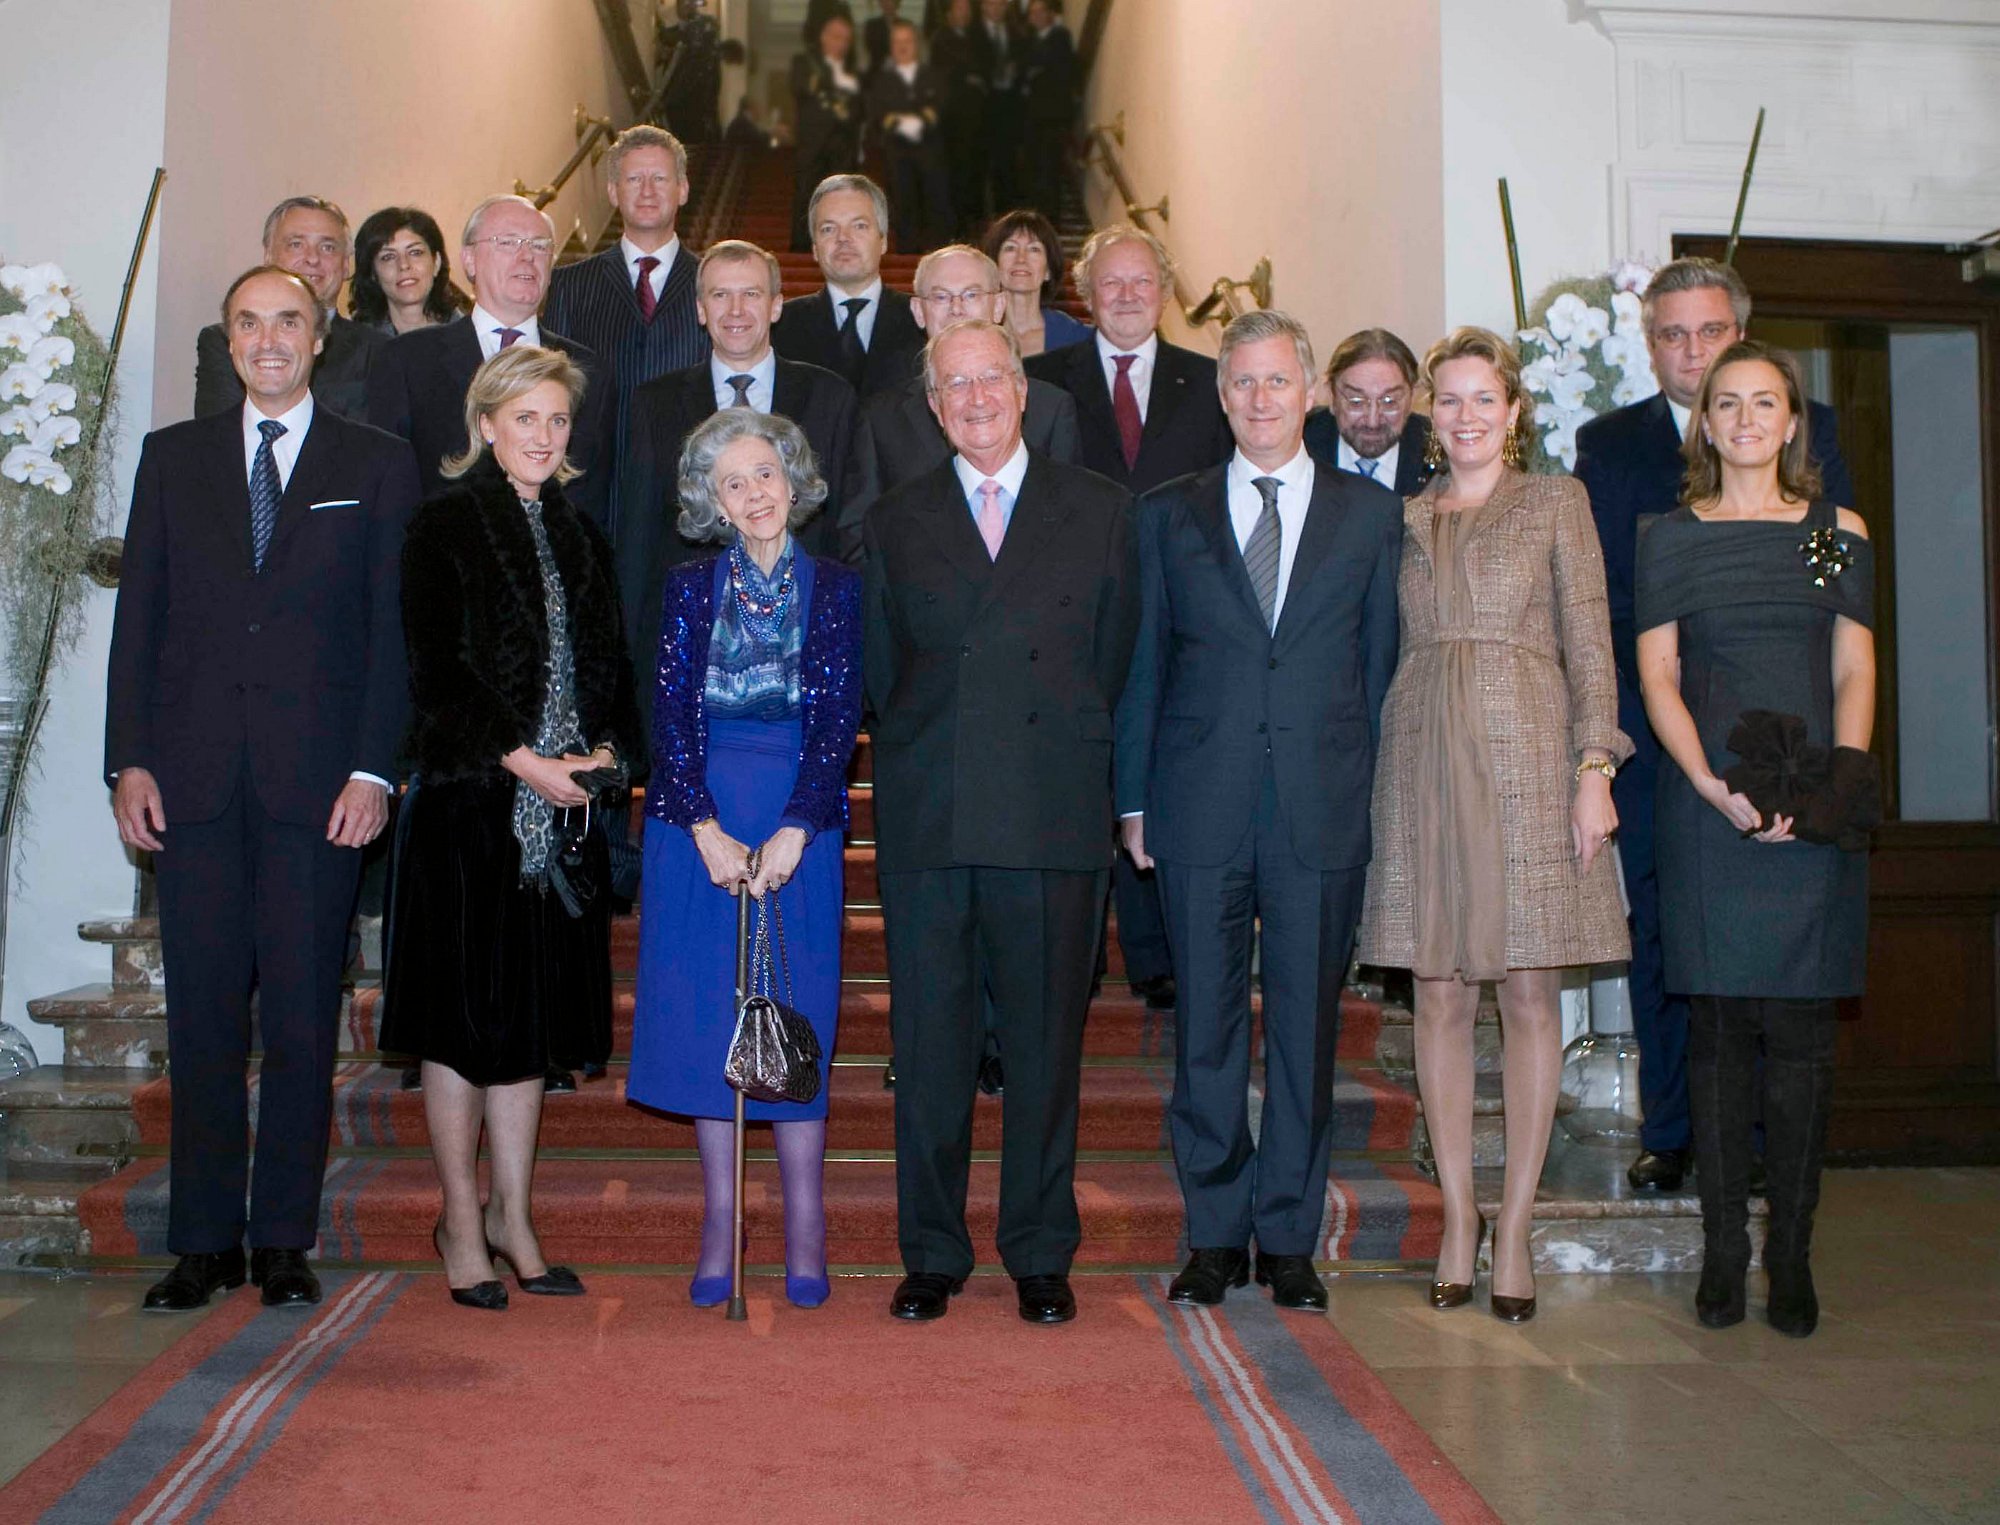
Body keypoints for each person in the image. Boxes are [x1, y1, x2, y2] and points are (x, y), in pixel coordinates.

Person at [106, 266, 417, 1311]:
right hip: (189, 784)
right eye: (249, 323)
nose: (268, 339)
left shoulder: (375, 463)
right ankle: (200, 1242)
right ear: (229, 342)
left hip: (318, 788)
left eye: (288, 320)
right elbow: (138, 623)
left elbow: (391, 635)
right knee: (200, 1021)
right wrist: (128, 759)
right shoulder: (172, 459)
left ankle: (281, 1236)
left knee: (296, 1022)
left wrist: (377, 767)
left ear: (320, 338)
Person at [1115, 311, 1401, 1312]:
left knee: (1304, 1032)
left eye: (1277, 381)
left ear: (1309, 388)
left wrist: (1367, 801)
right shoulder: (1167, 512)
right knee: (1203, 1032)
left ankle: (1285, 1235)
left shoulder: (1369, 518)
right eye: (1241, 383)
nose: (1259, 399)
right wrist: (1134, 798)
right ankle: (1210, 1233)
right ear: (1223, 395)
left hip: (1319, 811)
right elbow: (1144, 666)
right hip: (1196, 806)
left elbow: (1374, 678)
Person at [863, 319, 1139, 1325]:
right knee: (929, 1048)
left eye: (989, 378)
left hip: (1051, 813)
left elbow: (1110, 662)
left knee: (1041, 1049)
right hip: (930, 815)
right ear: (932, 408)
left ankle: (1037, 1250)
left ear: (1022, 392)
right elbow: (884, 677)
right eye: (953, 384)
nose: (973, 396)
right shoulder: (892, 519)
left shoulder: (1100, 509)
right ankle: (931, 1250)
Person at [1357, 327, 1630, 1324]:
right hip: (1422, 751)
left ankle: (1513, 1223)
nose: (1465, 416)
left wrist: (1592, 769)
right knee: (1434, 990)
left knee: (1525, 991)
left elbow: (1591, 643)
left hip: (1528, 754)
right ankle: (1458, 1217)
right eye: (1450, 399)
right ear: (1430, 414)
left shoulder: (1554, 503)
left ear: (1512, 411)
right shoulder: (1401, 516)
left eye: (1484, 398)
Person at [1574, 256, 1855, 1196]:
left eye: (1710, 332)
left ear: (1743, 336)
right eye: (1671, 334)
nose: (1691, 351)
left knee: (1788, 963)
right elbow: (1604, 600)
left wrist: (1825, 763)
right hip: (1662, 740)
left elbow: (1834, 605)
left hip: (1790, 742)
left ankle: (1775, 1146)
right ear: (1649, 345)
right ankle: (1673, 1129)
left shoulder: (1819, 447)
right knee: (1662, 938)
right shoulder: (1610, 448)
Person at [381, 344, 639, 1309]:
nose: (542, 435)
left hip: (562, 823)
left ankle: (513, 1215)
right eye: (523, 418)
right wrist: (523, 759)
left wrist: (611, 757)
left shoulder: (585, 535)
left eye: (557, 420)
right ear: (485, 425)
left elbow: (609, 669)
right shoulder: (440, 526)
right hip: (469, 806)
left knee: (527, 1027)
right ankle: (458, 1217)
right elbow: (437, 672)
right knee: (461, 1026)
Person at [1635, 341, 1875, 1338]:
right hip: (1708, 811)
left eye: (1761, 402)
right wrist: (1705, 784)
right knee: (1723, 1037)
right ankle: (1723, 1254)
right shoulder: (1668, 536)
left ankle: (1792, 1257)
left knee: (1802, 1043)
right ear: (1703, 423)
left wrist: (1835, 782)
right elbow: (1657, 675)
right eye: (1723, 403)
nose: (1741, 418)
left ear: (1789, 423)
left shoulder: (1829, 534)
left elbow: (1851, 665)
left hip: (1813, 804)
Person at [627, 409, 864, 1310]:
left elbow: (839, 721)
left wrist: (801, 826)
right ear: (711, 502)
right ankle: (721, 1222)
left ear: (792, 480)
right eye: (733, 481)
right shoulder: (687, 586)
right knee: (702, 1019)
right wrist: (703, 826)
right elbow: (671, 715)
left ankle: (807, 1222)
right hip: (701, 823)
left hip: (800, 815)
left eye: (765, 472)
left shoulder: (836, 586)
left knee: (794, 1011)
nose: (755, 492)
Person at [1028, 223, 1232, 1016]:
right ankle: (1076, 957)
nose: (1125, 295)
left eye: (1141, 282)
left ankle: (1154, 955)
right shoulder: (1039, 378)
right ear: (1084, 291)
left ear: (1165, 291)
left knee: (1158, 777)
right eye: (1110, 282)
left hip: (1181, 617)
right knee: (1081, 786)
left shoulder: (1210, 382)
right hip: (1074, 614)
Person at [617, 239, 861, 729]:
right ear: (701, 310)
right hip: (689, 657)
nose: (735, 310)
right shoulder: (654, 404)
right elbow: (637, 540)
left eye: (750, 294)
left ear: (776, 305)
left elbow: (847, 528)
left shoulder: (830, 396)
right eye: (720, 296)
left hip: (804, 648)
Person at [367, 194, 614, 534]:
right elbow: (387, 494)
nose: (527, 256)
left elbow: (592, 502)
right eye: (507, 242)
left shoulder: (589, 369)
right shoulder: (406, 361)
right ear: (469, 260)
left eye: (540, 246)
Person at [838, 242, 1079, 559]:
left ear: (998, 306)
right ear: (918, 311)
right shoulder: (880, 417)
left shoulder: (1051, 407)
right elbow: (858, 539)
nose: (956, 308)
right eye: (940, 297)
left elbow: (1072, 526)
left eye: (972, 295)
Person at [545, 125, 710, 545]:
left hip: (692, 496)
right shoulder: (569, 285)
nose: (648, 190)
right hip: (597, 499)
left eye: (660, 178)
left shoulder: (714, 284)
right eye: (634, 179)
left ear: (683, 189)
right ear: (614, 192)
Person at [194, 197, 385, 421]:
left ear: (345, 265)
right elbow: (221, 436)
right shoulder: (223, 340)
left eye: (328, 247)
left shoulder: (379, 351)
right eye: (296, 244)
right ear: (268, 256)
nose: (313, 258)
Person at [773, 174, 925, 397]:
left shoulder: (921, 319)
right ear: (815, 248)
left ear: (883, 241)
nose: (843, 238)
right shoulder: (780, 326)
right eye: (828, 229)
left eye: (859, 226)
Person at [1301, 327, 1437, 496]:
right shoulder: (1300, 445)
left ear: (1412, 397)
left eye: (1389, 402)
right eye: (1356, 402)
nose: (1373, 421)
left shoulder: (1437, 453)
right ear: (1331, 394)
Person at [865, 19, 952, 251]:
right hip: (897, 151)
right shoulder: (881, 81)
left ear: (918, 44)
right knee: (904, 207)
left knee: (936, 206)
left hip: (930, 151)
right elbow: (877, 112)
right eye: (897, 42)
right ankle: (907, 256)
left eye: (908, 41)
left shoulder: (934, 75)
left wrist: (921, 121)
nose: (902, 47)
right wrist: (899, 124)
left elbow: (942, 105)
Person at [791, 13, 864, 250]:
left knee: (842, 200)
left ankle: (839, 245)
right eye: (836, 37)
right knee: (806, 196)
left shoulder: (854, 70)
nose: (840, 43)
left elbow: (861, 109)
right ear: (823, 37)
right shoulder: (805, 61)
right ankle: (803, 248)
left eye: (845, 39)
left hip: (843, 147)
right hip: (813, 142)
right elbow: (799, 87)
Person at [983, 208, 1088, 357]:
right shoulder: (978, 334)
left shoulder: (1074, 336)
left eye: (1034, 249)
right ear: (994, 264)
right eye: (1010, 248)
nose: (1021, 258)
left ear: (1048, 271)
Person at [348, 207, 469, 336]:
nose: (404, 265)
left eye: (415, 253)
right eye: (388, 257)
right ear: (373, 273)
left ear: (436, 262)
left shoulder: (471, 336)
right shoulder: (355, 345)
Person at [930, 0, 989, 235]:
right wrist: (969, 76)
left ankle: (973, 222)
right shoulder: (941, 38)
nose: (964, 14)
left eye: (967, 10)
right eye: (959, 9)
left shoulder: (978, 37)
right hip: (952, 121)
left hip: (978, 121)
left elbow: (986, 68)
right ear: (948, 14)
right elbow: (947, 73)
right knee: (955, 173)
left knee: (975, 172)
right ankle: (956, 226)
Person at [1018, 0, 1075, 219]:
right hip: (1031, 116)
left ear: (1050, 14)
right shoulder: (1028, 40)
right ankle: (1035, 214)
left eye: (1040, 11)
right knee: (1033, 167)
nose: (1036, 17)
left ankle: (1051, 218)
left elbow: (1058, 72)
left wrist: (1036, 72)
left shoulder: (1060, 37)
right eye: (1032, 13)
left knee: (1050, 168)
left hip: (1053, 116)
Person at [973, 0, 1023, 215]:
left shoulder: (1015, 32)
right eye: (991, 4)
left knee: (1007, 163)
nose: (996, 9)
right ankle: (980, 216)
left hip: (1009, 106)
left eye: (1001, 5)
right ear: (983, 6)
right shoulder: (972, 33)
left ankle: (1005, 213)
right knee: (980, 164)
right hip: (981, 108)